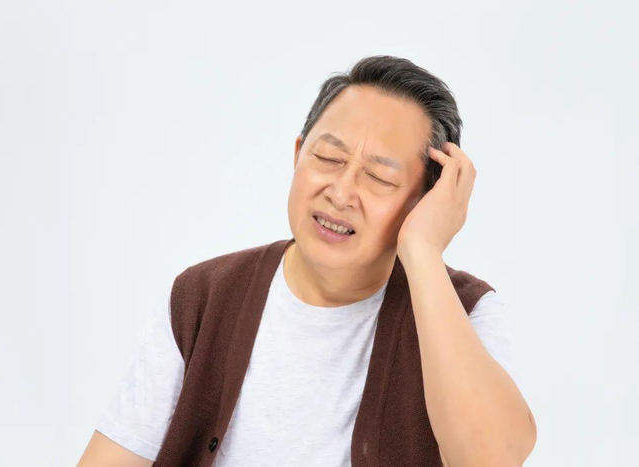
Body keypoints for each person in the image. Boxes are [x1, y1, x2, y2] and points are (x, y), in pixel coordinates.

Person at [77, 55, 536, 466]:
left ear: (425, 201)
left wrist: (423, 253)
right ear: (298, 155)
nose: (341, 192)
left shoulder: (465, 310)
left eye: (379, 177)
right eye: (329, 158)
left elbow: (491, 459)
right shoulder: (204, 296)